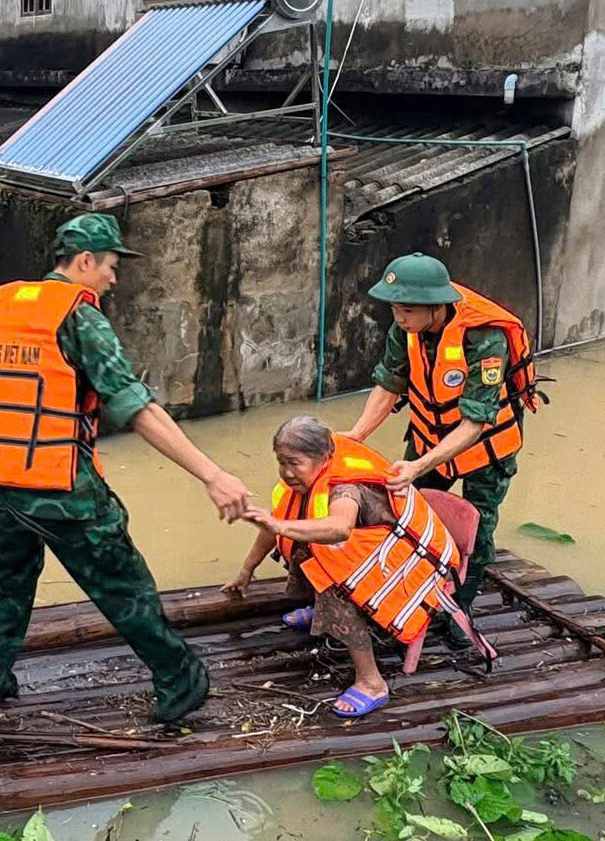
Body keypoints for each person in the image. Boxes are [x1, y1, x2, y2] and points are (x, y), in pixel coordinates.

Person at [0, 213, 252, 725]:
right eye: (111, 267)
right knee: (125, 586)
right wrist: (212, 474)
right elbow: (135, 407)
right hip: (61, 490)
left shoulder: (2, 303)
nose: (114, 279)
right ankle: (181, 682)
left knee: (9, 585)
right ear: (85, 261)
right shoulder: (78, 316)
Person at [222, 416, 481, 718]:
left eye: (294, 463)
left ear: (323, 457)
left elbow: (340, 528)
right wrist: (247, 569)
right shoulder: (305, 480)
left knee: (336, 590)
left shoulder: (346, 488)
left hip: (412, 566)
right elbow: (277, 524)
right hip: (374, 555)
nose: (287, 472)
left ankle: (372, 682)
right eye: (281, 462)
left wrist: (279, 525)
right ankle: (321, 614)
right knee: (306, 548)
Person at [343, 254, 540, 641]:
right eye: (395, 308)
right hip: (429, 435)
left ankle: (461, 608)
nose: (399, 317)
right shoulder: (405, 329)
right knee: (399, 513)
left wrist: (420, 466)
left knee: (478, 530)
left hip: (484, 449)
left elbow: (475, 421)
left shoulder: (484, 338)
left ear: (437, 305)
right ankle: (399, 591)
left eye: (409, 310)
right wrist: (356, 436)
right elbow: (390, 385)